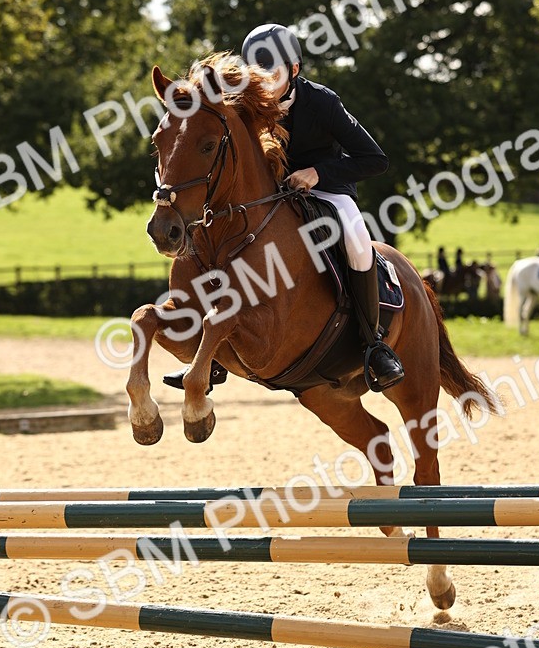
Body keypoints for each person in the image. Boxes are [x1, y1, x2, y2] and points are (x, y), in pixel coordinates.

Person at [163, 23, 405, 393]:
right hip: (265, 196)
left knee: (357, 238)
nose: (267, 82)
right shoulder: (240, 103)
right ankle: (208, 353)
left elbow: (374, 158)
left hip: (326, 192)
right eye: (258, 73)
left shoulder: (321, 101)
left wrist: (317, 173)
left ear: (293, 69)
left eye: (274, 73)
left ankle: (374, 344)